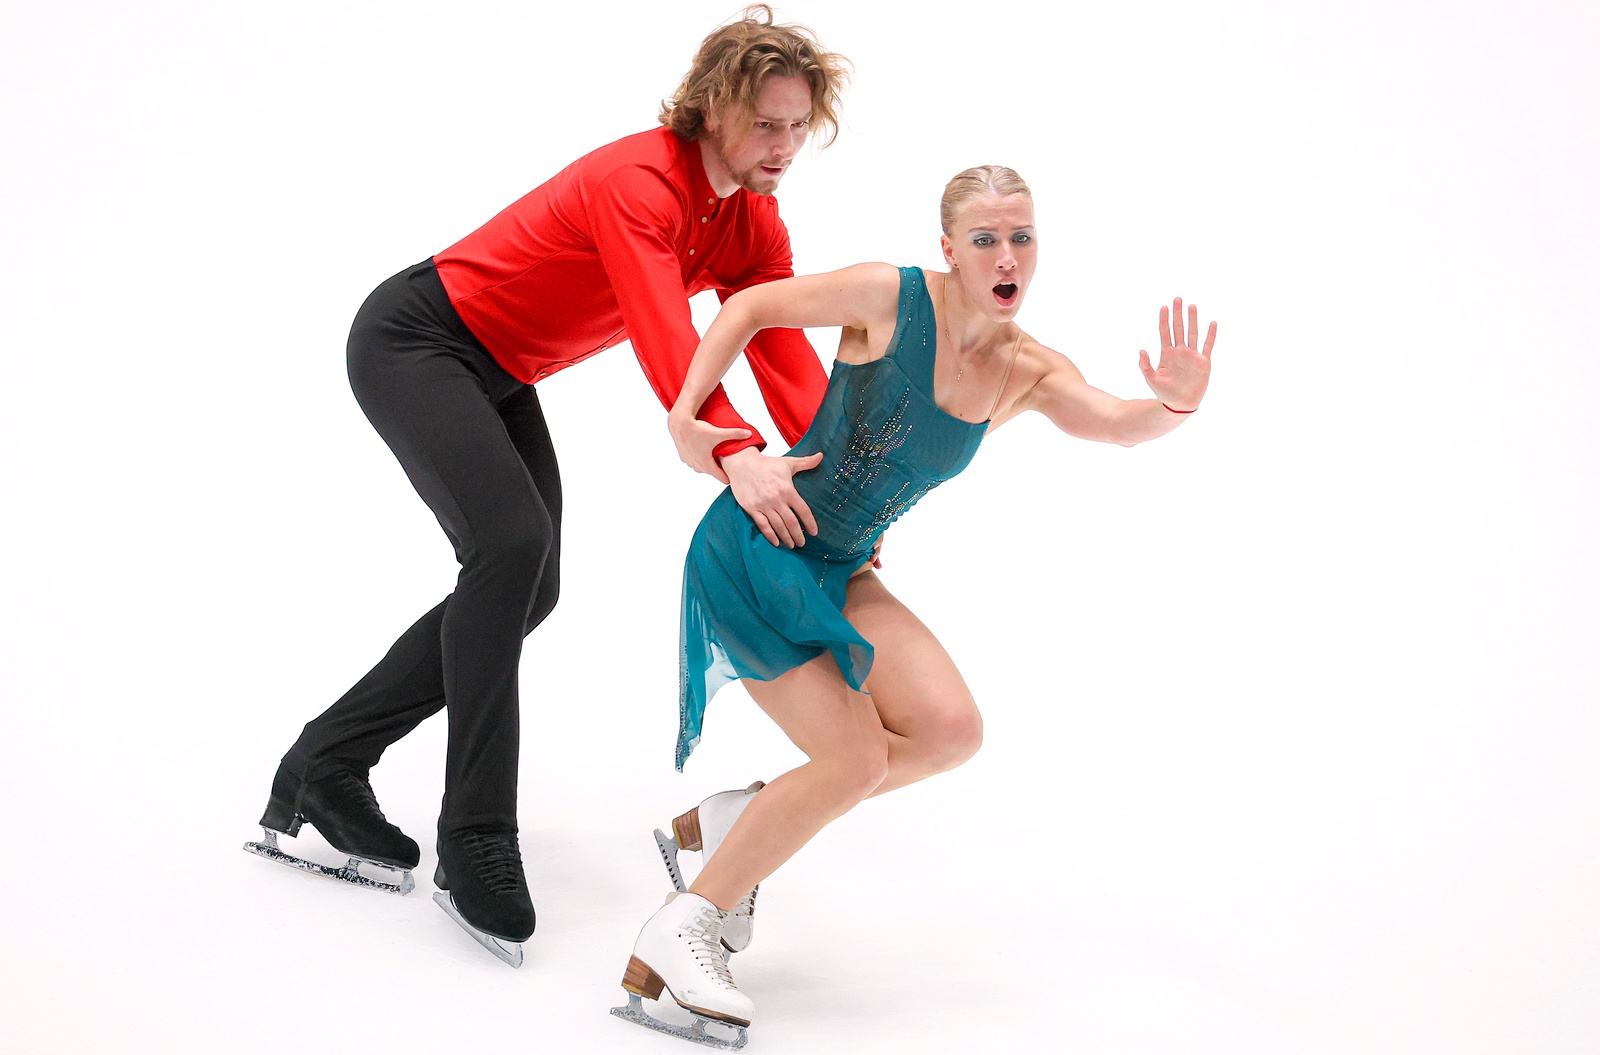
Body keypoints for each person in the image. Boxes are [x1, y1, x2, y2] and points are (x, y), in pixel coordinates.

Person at [243, 5, 851, 968]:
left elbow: (776, 341)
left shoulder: (751, 220)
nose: (784, 146)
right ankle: (475, 833)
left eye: (798, 126)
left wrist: (844, 474)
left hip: (499, 369)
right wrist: (734, 450)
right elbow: (663, 330)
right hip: (417, 340)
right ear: (712, 109)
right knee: (511, 547)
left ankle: (325, 762)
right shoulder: (640, 181)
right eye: (766, 123)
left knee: (531, 583)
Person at [611, 165, 1216, 1045]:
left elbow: (1118, 422)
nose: (1006, 257)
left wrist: (1173, 404)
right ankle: (681, 928)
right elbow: (748, 308)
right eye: (985, 239)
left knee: (949, 731)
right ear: (949, 250)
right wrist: (689, 420)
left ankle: (747, 818)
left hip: (844, 567)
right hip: (757, 548)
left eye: (1021, 238)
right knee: (855, 758)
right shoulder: (888, 297)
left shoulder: (1029, 369)